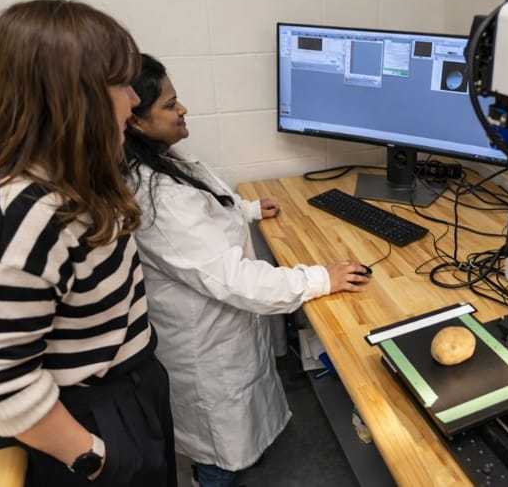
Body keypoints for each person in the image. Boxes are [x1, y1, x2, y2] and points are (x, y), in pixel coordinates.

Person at [0, 0, 177, 487]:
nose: (133, 101)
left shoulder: (79, 179)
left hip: (132, 386)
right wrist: (93, 457)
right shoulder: (15, 219)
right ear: (73, 99)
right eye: (120, 85)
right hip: (86, 420)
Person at [123, 53, 371, 487]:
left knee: (239, 421)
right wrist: (321, 278)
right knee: (221, 451)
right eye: (170, 104)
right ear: (136, 121)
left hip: (222, 332)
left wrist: (247, 209)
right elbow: (233, 279)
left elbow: (205, 213)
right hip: (207, 350)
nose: (182, 109)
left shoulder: (160, 166)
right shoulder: (160, 198)